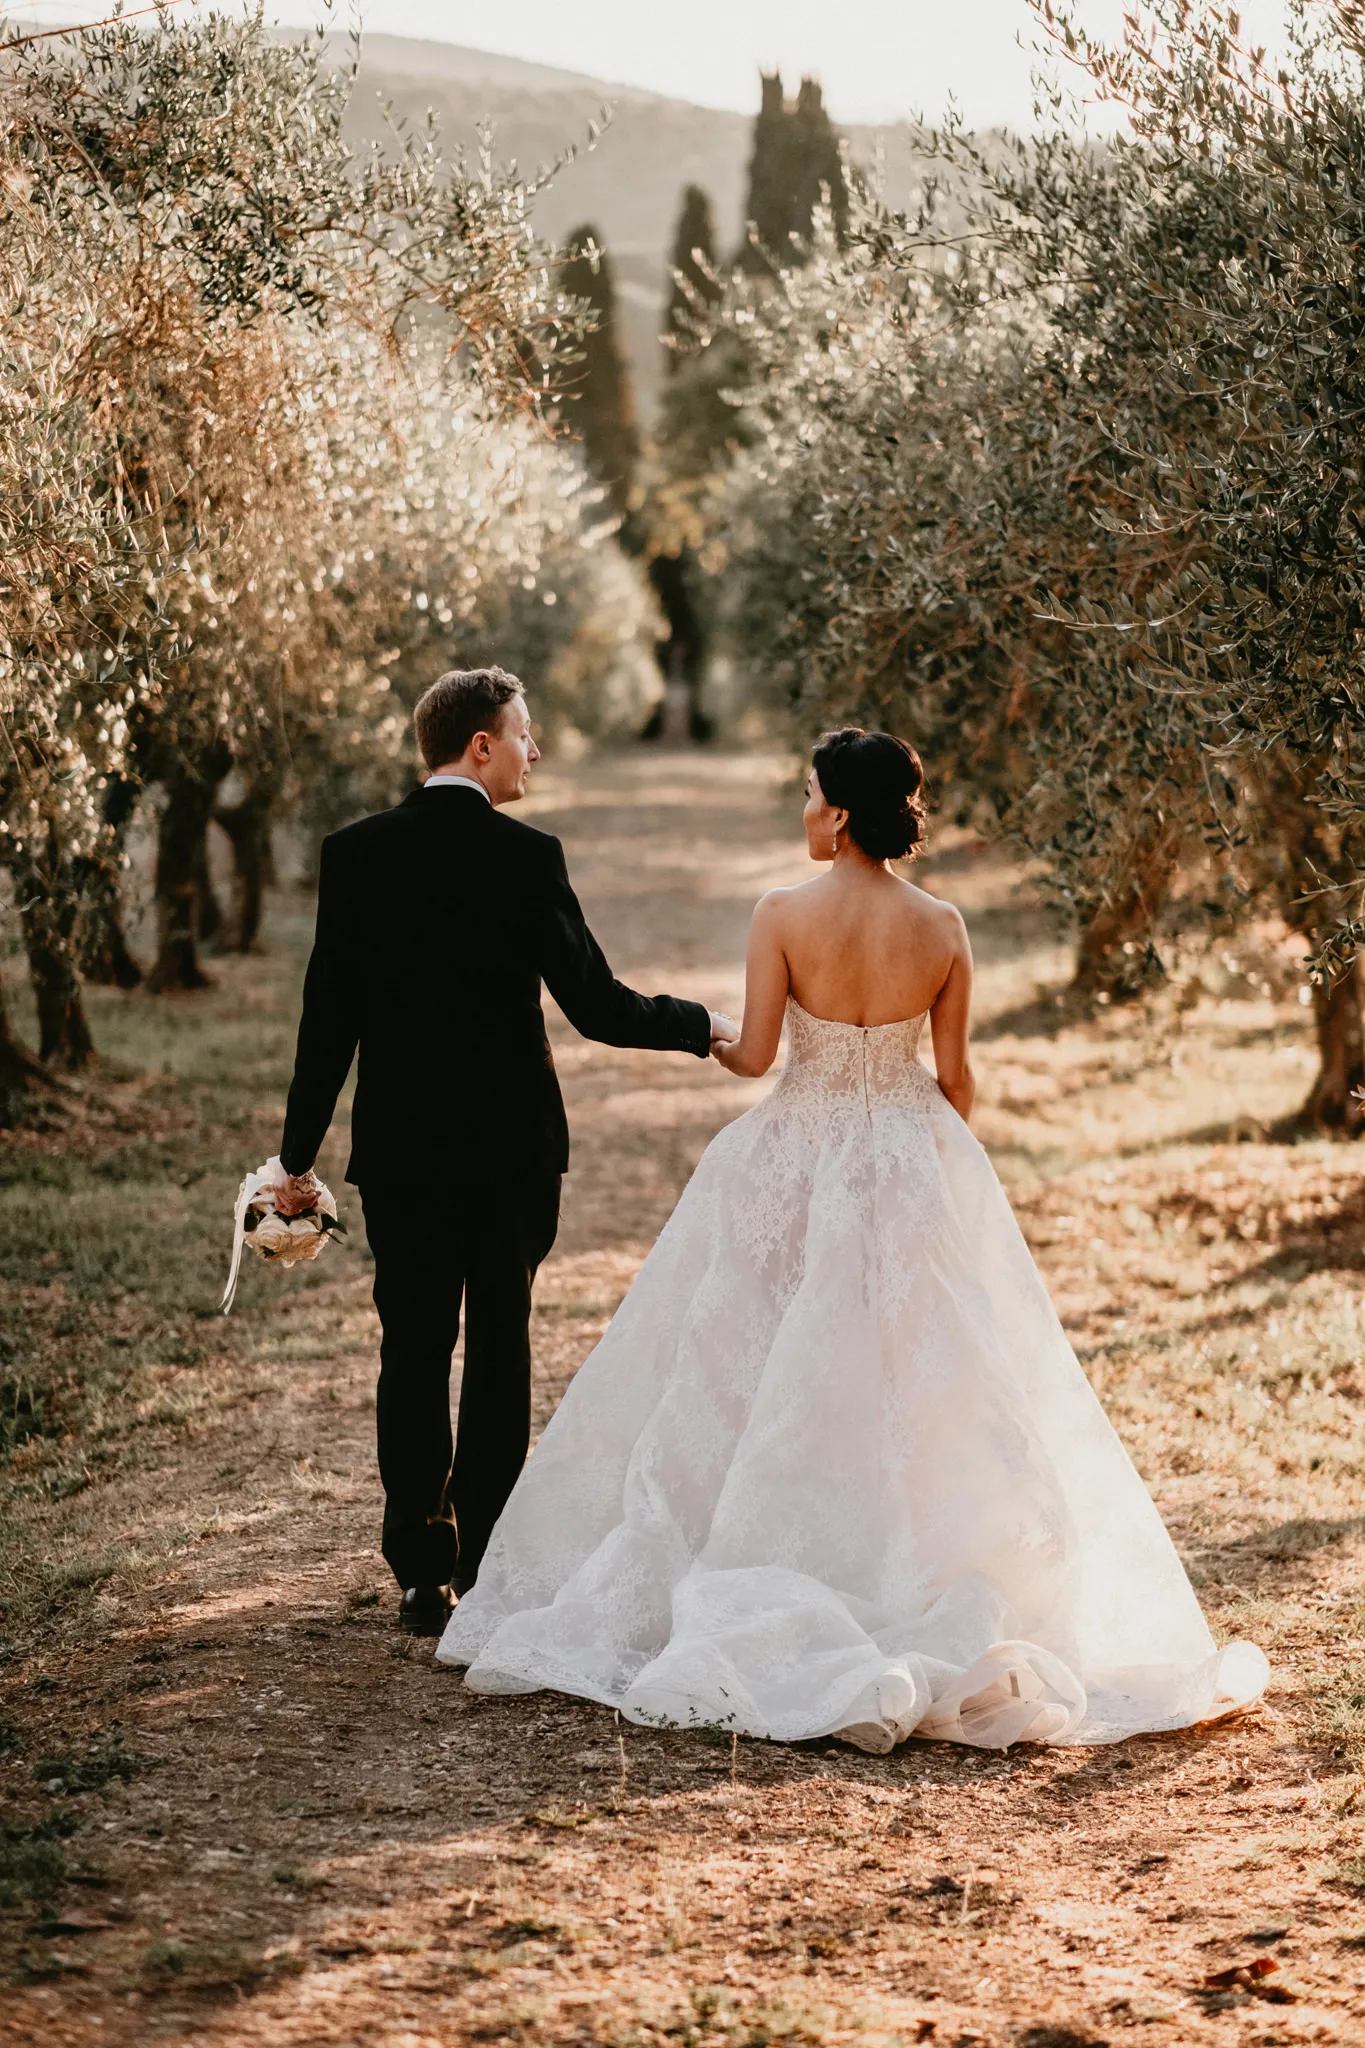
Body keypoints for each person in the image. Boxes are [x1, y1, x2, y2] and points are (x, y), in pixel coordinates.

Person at [436, 728, 1268, 1750]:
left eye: (806, 790)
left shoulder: (783, 912)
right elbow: (956, 1079)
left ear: (837, 812)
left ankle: (781, 1547)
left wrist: (702, 1031)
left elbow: (753, 1056)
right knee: (923, 1366)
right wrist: (934, 1160)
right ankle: (907, 1559)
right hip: (913, 1151)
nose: (800, 805)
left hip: (797, 1150)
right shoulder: (945, 925)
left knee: (763, 1355)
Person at [274, 667, 736, 1634]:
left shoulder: (356, 854)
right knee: (498, 1349)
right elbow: (598, 1006)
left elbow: (329, 1021)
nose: (535, 751)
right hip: (509, 1154)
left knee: (412, 1350)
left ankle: (417, 1569)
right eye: (524, 734)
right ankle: (485, 1560)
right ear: (478, 745)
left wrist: (295, 1157)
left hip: (400, 1157)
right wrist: (704, 1026)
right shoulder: (528, 857)